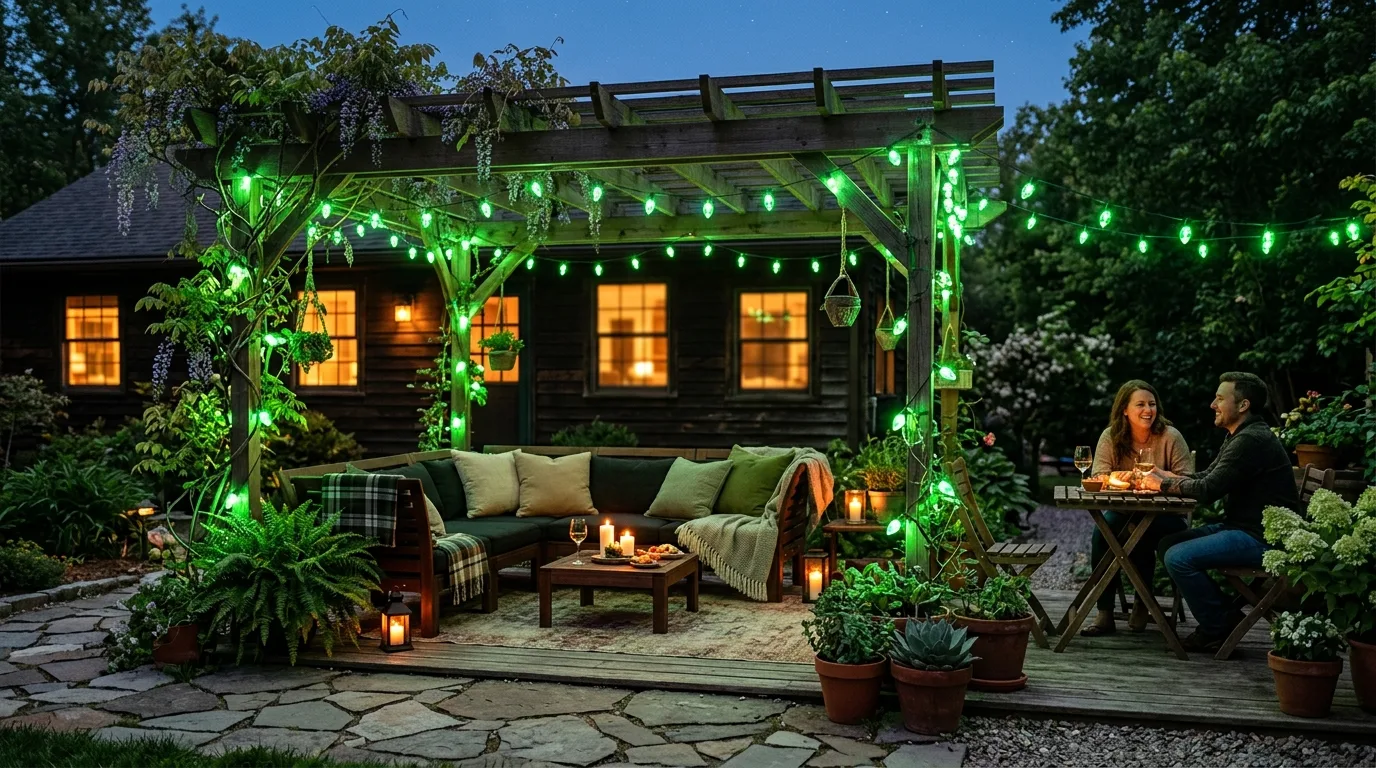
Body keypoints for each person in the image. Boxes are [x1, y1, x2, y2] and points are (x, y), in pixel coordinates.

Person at [1139, 372, 1301, 652]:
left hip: (1263, 538)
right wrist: (1169, 476)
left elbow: (1208, 490)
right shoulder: (1240, 435)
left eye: (1220, 398)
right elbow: (1208, 474)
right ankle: (1223, 616)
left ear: (1243, 405)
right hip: (1241, 527)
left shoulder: (1251, 440)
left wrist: (1163, 484)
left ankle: (1218, 625)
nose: (1213, 405)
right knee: (1168, 543)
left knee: (1178, 557)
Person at [1080, 380, 1192, 636]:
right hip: (1123, 512)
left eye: (1152, 404)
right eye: (1140, 404)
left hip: (1166, 515)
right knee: (1102, 535)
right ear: (1125, 410)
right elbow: (1099, 475)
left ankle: (1143, 601)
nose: (1148, 410)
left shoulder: (1170, 437)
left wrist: (1159, 477)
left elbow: (1188, 478)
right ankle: (1104, 612)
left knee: (1140, 533)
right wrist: (1130, 477)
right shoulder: (1111, 436)